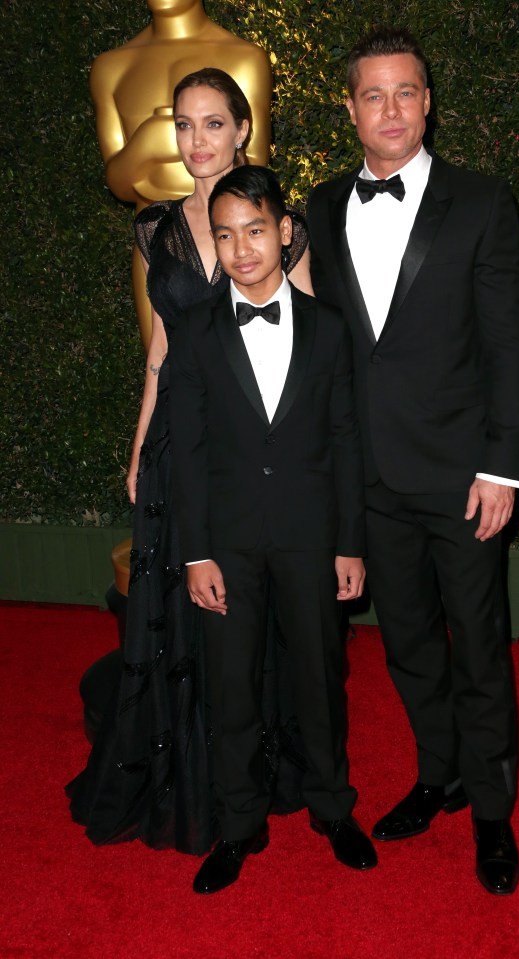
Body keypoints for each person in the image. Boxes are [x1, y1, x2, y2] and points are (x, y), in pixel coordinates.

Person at [307, 28, 519, 895]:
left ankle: (491, 810)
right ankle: (437, 772)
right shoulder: (322, 209)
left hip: (462, 476)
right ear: (351, 108)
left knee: (478, 646)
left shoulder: (481, 201)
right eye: (373, 94)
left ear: (428, 101)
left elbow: (512, 346)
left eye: (406, 92)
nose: (390, 109)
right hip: (370, 479)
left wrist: (503, 468)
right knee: (407, 645)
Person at [66, 69, 312, 856]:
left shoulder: (281, 224)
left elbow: (303, 347)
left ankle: (250, 765)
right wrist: (140, 448)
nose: (197, 140)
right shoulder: (154, 230)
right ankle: (185, 770)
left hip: (249, 449)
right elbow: (159, 351)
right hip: (178, 442)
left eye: (213, 123)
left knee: (244, 608)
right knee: (177, 606)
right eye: (184, 124)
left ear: (243, 130)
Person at [169, 164, 377, 894]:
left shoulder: (328, 328)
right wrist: (195, 551)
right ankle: (238, 824)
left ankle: (332, 808)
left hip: (311, 535)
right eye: (225, 235)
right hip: (224, 541)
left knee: (321, 677)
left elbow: (347, 438)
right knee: (232, 688)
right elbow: (186, 452)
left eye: (256, 230)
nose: (242, 249)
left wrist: (350, 541)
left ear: (284, 232)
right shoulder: (192, 330)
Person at [89, 0, 273, 346]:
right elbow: (117, 182)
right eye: (183, 125)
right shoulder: (111, 68)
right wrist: (148, 142)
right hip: (158, 246)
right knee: (167, 367)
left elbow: (255, 172)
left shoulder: (245, 58)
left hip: (235, 238)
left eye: (214, 122)